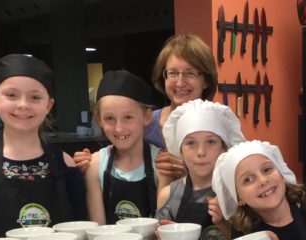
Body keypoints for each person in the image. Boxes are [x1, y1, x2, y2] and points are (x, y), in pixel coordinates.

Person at [0, 54, 86, 236]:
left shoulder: (64, 162)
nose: (23, 105)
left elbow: (80, 229)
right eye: (12, 95)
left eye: (35, 97)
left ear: (49, 105)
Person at [74, 34, 217, 187]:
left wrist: (187, 174)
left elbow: (230, 182)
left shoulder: (220, 129)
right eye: (173, 73)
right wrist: (88, 163)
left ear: (206, 81)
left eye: (190, 73)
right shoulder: (144, 123)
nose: (180, 82)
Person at [155, 99, 245, 240]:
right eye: (191, 143)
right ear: (180, 150)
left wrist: (225, 224)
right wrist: (172, 237)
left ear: (223, 147)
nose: (201, 152)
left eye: (210, 142)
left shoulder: (239, 194)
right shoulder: (168, 195)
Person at [84, 70, 160, 224]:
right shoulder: (94, 165)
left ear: (147, 116)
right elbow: (98, 228)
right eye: (110, 118)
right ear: (99, 119)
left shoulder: (161, 164)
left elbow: (163, 227)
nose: (119, 128)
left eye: (128, 117)